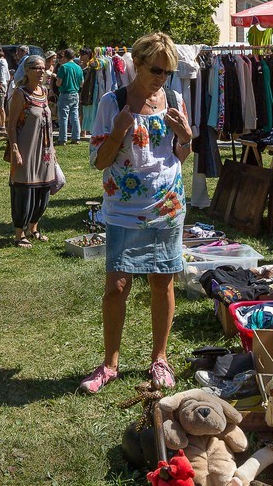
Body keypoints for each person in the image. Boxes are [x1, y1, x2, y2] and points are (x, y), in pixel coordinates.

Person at [81, 32, 193, 394]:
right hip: (124, 209)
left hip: (167, 205)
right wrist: (117, 134)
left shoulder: (174, 98)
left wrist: (186, 138)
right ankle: (110, 363)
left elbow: (179, 155)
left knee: (162, 282)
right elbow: (99, 162)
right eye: (156, 70)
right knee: (117, 287)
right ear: (137, 64)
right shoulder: (112, 103)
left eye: (168, 72)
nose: (161, 78)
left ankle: (159, 358)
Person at [6, 55, 58, 246]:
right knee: (24, 190)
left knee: (43, 190)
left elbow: (48, 123)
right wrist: (15, 150)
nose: (42, 71)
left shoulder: (44, 91)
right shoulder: (21, 93)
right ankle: (19, 233)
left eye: (43, 68)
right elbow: (10, 125)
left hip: (44, 150)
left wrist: (52, 149)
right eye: (37, 68)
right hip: (26, 149)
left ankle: (33, 228)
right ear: (27, 71)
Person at [54, 48, 85, 145]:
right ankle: (76, 138)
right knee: (75, 116)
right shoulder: (78, 67)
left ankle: (62, 139)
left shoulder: (63, 67)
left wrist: (55, 78)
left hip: (65, 93)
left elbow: (59, 83)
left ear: (64, 56)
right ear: (74, 56)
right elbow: (82, 83)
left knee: (63, 117)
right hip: (75, 94)